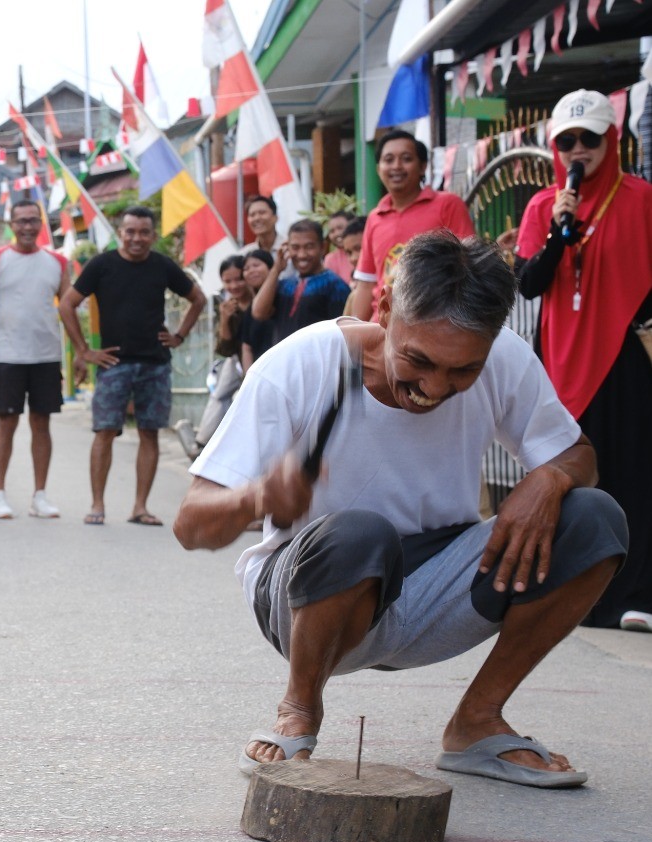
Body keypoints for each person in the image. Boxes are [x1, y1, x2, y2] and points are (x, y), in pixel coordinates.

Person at [174, 231, 627, 788]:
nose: (434, 387)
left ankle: (477, 721)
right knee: (360, 535)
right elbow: (190, 524)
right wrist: (256, 496)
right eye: (419, 360)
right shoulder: (302, 364)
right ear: (385, 308)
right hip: (312, 595)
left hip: (439, 585)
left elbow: (578, 455)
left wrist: (549, 478)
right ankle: (298, 709)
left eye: (462, 372)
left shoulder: (502, 357)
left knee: (593, 520)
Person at [515, 89, 652, 632]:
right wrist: (557, 229)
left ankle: (634, 594)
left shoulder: (641, 198)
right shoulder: (542, 205)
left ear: (610, 140)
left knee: (632, 475)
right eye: (567, 141)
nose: (578, 150)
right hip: (560, 360)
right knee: (568, 480)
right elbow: (529, 284)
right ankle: (574, 597)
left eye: (589, 139)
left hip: (622, 356)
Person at [59, 205, 205, 526]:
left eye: (144, 232)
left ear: (153, 235)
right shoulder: (101, 265)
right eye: (130, 232)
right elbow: (67, 304)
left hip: (155, 363)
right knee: (105, 431)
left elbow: (199, 299)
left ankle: (140, 507)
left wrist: (179, 336)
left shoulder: (163, 266)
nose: (136, 238)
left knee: (149, 433)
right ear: (120, 233)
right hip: (114, 363)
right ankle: (97, 505)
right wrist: (84, 350)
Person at [0, 199, 69, 520]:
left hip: (47, 355)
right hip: (9, 355)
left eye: (33, 220)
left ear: (41, 224)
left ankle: (40, 495)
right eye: (21, 221)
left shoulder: (58, 262)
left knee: (42, 423)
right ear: (11, 225)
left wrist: (79, 354)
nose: (27, 226)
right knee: (6, 422)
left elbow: (68, 309)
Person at [349, 130, 475, 321]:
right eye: (389, 160)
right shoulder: (375, 218)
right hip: (382, 326)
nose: (396, 166)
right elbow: (366, 284)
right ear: (378, 168)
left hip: (434, 323)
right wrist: (354, 333)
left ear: (423, 166)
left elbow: (470, 267)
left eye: (406, 159)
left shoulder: (448, 205)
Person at [177, 254, 254, 459]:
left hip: (259, 359)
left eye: (238, 279)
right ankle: (201, 444)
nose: (234, 286)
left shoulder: (261, 300)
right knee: (219, 394)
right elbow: (225, 348)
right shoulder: (228, 307)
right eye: (228, 281)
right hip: (236, 359)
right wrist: (225, 319)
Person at [250, 219, 351, 354]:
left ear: (323, 247)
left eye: (309, 247)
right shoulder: (285, 285)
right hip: (285, 362)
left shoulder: (336, 286)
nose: (302, 255)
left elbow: (343, 339)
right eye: (295, 248)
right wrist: (276, 269)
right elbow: (258, 313)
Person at [323, 211, 356, 285]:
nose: (336, 234)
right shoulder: (330, 259)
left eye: (340, 228)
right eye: (332, 231)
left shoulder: (366, 252)